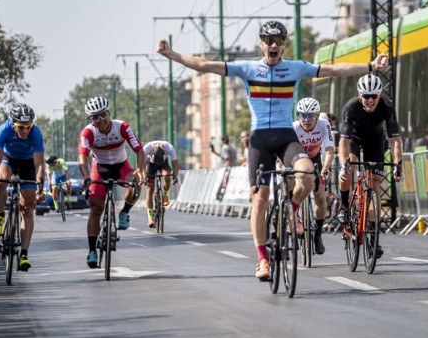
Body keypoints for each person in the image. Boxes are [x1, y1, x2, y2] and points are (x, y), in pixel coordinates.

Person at [157, 19, 389, 280]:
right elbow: (203, 65)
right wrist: (171, 54)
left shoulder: (295, 68)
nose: (273, 45)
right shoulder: (247, 69)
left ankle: (290, 207)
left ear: (284, 44)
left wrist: (370, 66)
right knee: (260, 200)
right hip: (259, 141)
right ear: (261, 44)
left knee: (308, 176)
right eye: (268, 41)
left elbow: (335, 69)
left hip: (285, 136)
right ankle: (263, 260)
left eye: (278, 41)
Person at [337, 74, 403, 260]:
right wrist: (344, 165)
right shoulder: (351, 107)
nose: (370, 100)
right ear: (360, 95)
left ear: (379, 95)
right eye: (366, 96)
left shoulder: (387, 106)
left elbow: (395, 141)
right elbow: (343, 141)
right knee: (348, 170)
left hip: (375, 141)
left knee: (374, 185)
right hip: (354, 140)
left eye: (374, 95)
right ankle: (344, 206)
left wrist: (398, 165)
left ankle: (373, 237)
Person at [78, 96, 146, 268]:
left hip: (121, 166)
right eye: (95, 117)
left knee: (136, 182)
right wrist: (86, 176)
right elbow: (82, 157)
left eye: (102, 115)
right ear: (90, 119)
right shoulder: (88, 132)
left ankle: (124, 211)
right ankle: (92, 250)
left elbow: (139, 150)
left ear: (109, 113)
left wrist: (141, 171)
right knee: (95, 208)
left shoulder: (122, 127)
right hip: (99, 169)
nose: (100, 121)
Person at [0, 103, 45, 271]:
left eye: (28, 126)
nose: (25, 130)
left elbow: (40, 164)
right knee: (1, 181)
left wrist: (40, 185)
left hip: (28, 164)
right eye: (21, 127)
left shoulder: (36, 133)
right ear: (13, 124)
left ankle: (24, 255)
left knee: (27, 207)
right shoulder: (3, 130)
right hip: (8, 158)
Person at [292, 97, 335, 255]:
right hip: (298, 159)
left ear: (316, 116)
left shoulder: (324, 125)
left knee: (321, 197)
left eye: (310, 116)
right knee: (293, 186)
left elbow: (330, 150)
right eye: (302, 115)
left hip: (316, 160)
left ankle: (317, 235)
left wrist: (325, 168)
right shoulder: (294, 128)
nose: (306, 119)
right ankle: (293, 221)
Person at [143, 140, 179, 228]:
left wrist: (174, 177)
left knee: (167, 176)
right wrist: (144, 177)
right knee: (150, 189)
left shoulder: (169, 147)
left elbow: (175, 164)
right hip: (151, 165)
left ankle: (165, 195)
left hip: (163, 163)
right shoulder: (147, 148)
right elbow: (142, 166)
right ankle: (150, 218)